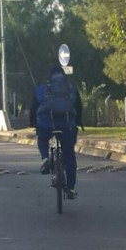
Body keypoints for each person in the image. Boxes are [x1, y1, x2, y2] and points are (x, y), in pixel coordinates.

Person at [30, 65, 83, 199]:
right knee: (69, 155)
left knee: (42, 139)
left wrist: (33, 123)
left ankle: (45, 158)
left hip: (46, 124)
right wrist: (78, 122)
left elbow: (33, 108)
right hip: (67, 125)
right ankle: (70, 188)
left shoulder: (42, 89)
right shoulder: (71, 89)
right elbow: (79, 108)